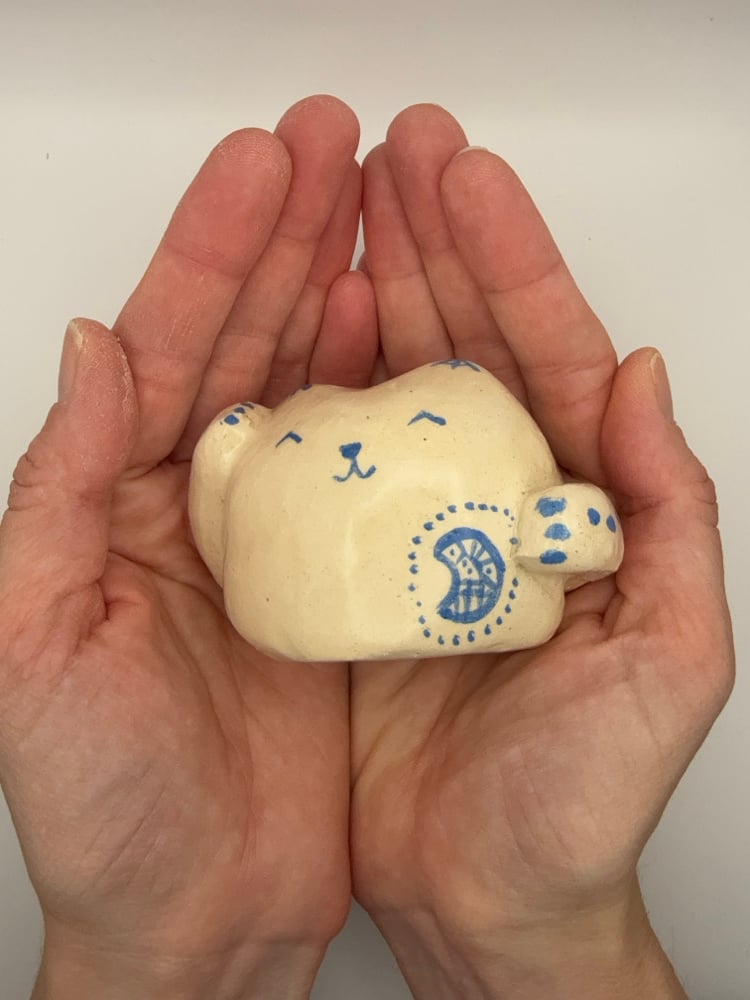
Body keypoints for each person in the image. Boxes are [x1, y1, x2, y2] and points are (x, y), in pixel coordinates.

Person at [0, 94, 733, 1000]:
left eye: (428, 426)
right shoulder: (244, 476)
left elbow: (584, 539)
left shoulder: (483, 436)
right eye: (312, 447)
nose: (359, 460)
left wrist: (577, 531)